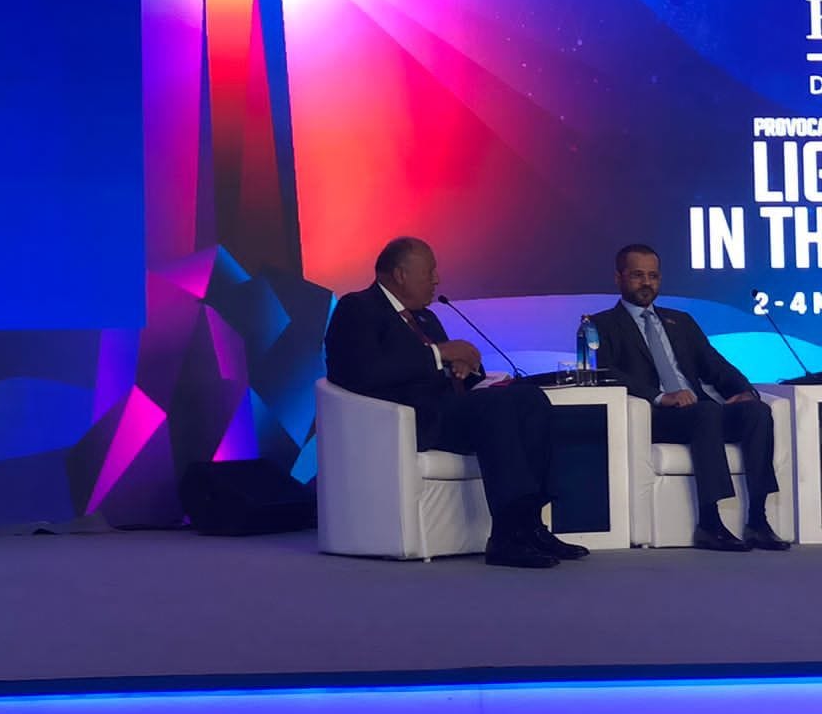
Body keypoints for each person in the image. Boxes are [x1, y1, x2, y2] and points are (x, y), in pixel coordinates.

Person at [324, 236, 586, 567]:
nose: (436, 280)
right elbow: (361, 372)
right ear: (401, 274)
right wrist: (439, 354)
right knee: (495, 407)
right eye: (429, 272)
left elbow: (448, 365)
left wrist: (466, 368)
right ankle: (505, 537)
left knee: (528, 396)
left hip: (451, 410)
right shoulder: (358, 308)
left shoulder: (426, 318)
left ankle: (532, 525)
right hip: (409, 419)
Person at [589, 244, 788, 551]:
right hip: (658, 416)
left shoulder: (680, 321)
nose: (646, 283)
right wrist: (660, 397)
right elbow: (605, 372)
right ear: (619, 278)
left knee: (757, 412)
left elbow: (715, 365)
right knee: (706, 412)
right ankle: (710, 523)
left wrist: (744, 391)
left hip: (700, 413)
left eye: (653, 276)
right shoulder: (600, 325)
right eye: (638, 275)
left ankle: (758, 521)